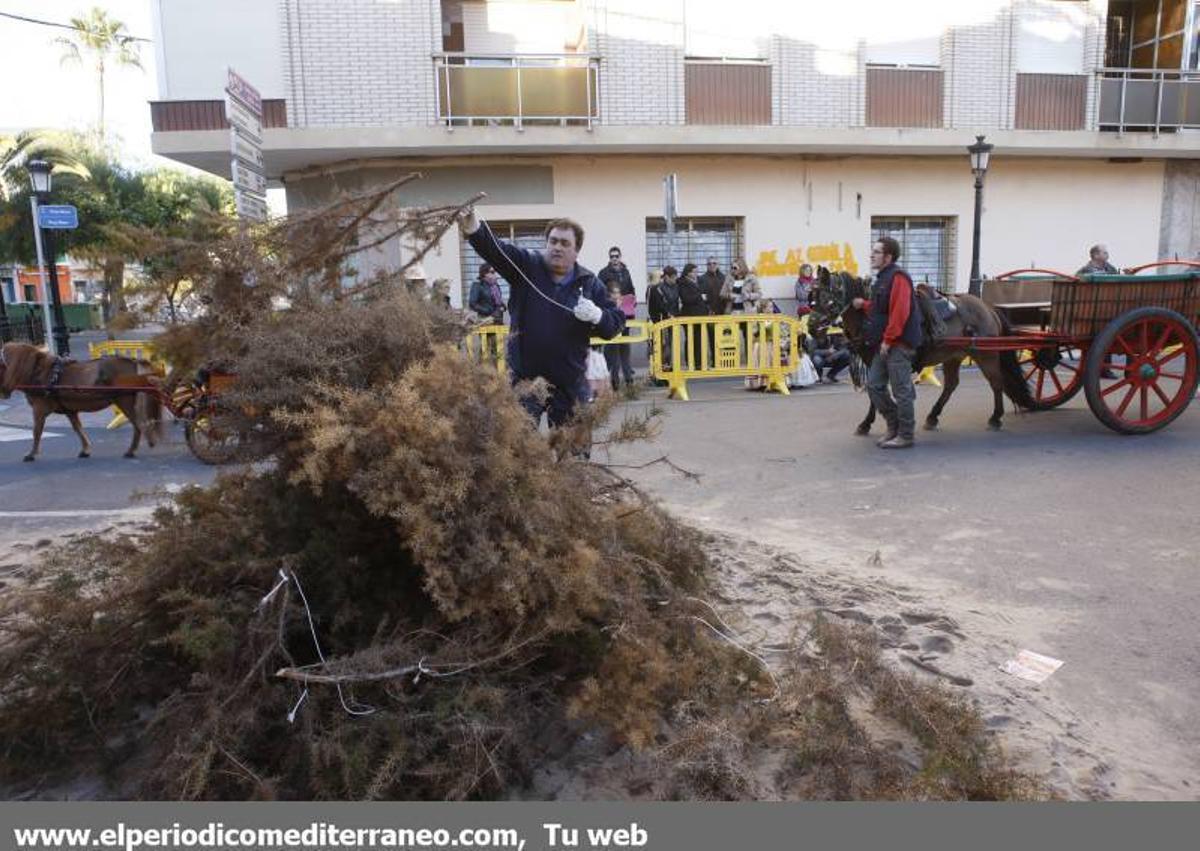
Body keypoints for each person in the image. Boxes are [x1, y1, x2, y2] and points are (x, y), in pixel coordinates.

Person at [459, 208, 624, 428]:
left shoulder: (589, 283)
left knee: (573, 452)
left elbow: (614, 324)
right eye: (553, 241)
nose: (557, 247)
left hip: (570, 383)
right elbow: (497, 251)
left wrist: (598, 315)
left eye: (565, 243)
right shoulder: (527, 266)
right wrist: (474, 229)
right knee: (520, 451)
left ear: (576, 251)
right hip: (525, 381)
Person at [851, 237, 922, 449]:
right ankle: (894, 426)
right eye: (873, 251)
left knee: (901, 390)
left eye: (877, 252)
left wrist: (889, 340)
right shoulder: (883, 278)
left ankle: (906, 435)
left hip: (897, 344)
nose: (872, 255)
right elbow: (881, 307)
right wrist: (864, 304)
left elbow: (899, 312)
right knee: (873, 385)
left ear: (888, 257)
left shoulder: (898, 277)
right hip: (886, 343)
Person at [598, 246, 636, 388]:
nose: (614, 259)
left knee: (625, 347)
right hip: (610, 315)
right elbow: (599, 292)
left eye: (616, 256)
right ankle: (614, 382)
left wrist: (632, 300)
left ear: (620, 257)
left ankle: (629, 380)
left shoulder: (625, 272)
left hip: (625, 315)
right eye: (612, 256)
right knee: (612, 349)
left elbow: (631, 289)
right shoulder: (603, 273)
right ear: (609, 258)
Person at [647, 266, 681, 371]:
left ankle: (668, 366)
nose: (675, 279)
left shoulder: (675, 286)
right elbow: (656, 306)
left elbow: (675, 302)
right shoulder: (655, 289)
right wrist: (667, 313)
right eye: (673, 277)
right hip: (660, 321)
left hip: (672, 320)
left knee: (669, 345)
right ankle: (659, 368)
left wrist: (676, 314)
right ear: (666, 277)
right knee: (660, 346)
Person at [678, 262, 708, 369]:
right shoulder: (682, 282)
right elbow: (686, 299)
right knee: (690, 338)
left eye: (696, 271)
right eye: (694, 271)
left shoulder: (699, 281)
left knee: (699, 339)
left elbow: (705, 293)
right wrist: (699, 295)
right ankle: (690, 362)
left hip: (701, 314)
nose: (696, 273)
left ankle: (699, 363)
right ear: (688, 272)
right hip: (689, 314)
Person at [699, 257, 727, 364]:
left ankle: (724, 361)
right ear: (706, 266)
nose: (712, 265)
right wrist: (708, 310)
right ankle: (715, 360)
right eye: (709, 264)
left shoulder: (724, 278)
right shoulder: (702, 278)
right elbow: (702, 297)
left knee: (725, 338)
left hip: (723, 313)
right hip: (710, 313)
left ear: (718, 264)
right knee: (712, 338)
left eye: (714, 263)